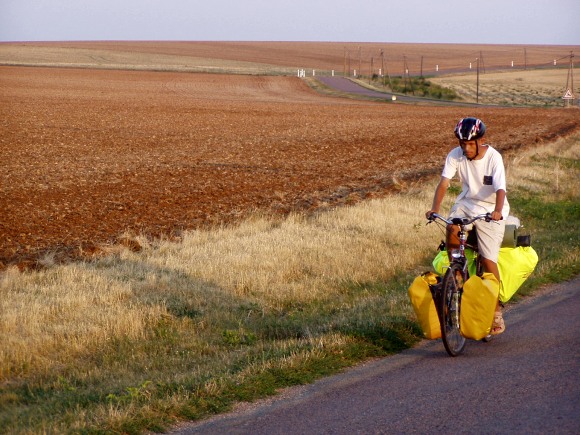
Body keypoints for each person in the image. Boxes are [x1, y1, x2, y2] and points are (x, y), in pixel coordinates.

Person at [426, 117, 509, 335]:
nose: (465, 148)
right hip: (466, 203)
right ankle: (457, 274)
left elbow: (501, 189)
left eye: (470, 144)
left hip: (491, 209)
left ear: (480, 141)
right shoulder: (455, 155)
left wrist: (498, 211)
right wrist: (435, 208)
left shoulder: (493, 157)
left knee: (489, 259)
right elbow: (444, 182)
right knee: (452, 228)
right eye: (462, 144)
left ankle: (496, 310)